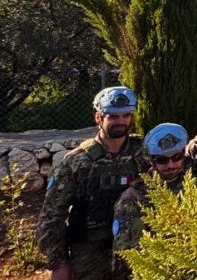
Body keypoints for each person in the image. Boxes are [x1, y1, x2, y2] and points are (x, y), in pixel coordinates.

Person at [38, 86, 146, 280]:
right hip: (89, 254)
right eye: (113, 116)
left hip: (134, 249)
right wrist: (58, 264)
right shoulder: (76, 161)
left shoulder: (143, 153)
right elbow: (52, 214)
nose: (120, 121)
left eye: (126, 115)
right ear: (99, 117)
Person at [112, 123, 197, 279]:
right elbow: (129, 254)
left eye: (177, 157)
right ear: (150, 160)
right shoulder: (133, 199)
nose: (171, 165)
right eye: (162, 160)